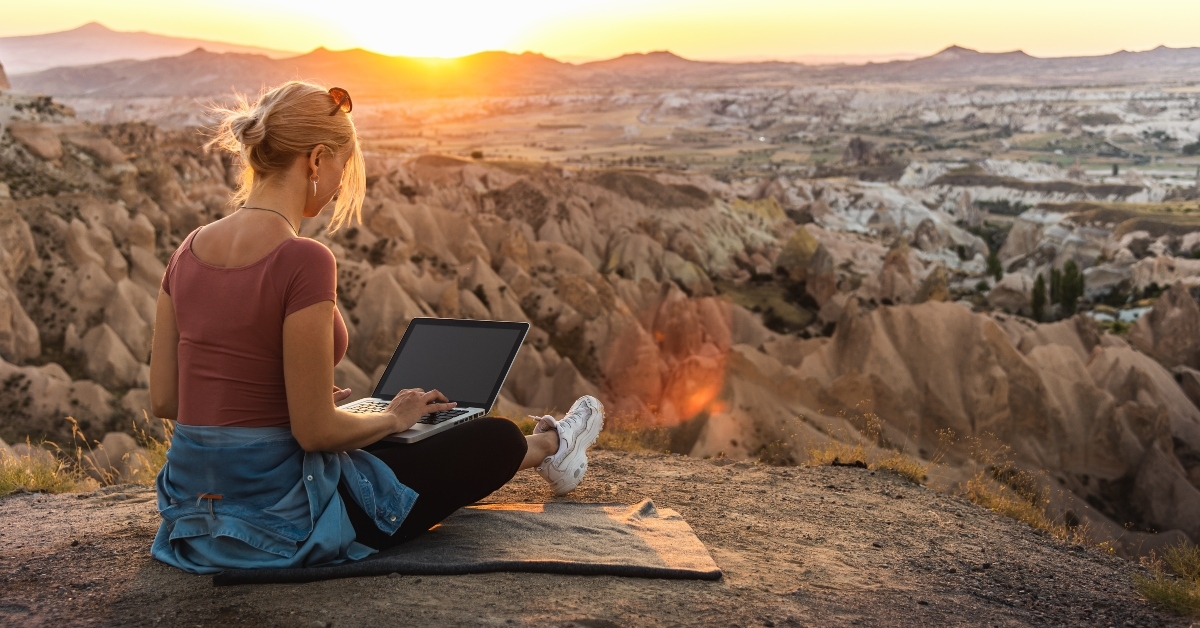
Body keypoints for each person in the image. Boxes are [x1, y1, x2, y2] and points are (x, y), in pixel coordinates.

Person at [147, 81, 604, 574]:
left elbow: (168, 401)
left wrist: (302, 410)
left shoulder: (187, 252)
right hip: (281, 522)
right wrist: (393, 418)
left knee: (403, 433)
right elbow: (316, 432)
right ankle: (552, 445)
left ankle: (551, 448)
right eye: (343, 166)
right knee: (494, 440)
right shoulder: (303, 259)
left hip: (192, 518)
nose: (342, 182)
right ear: (317, 159)